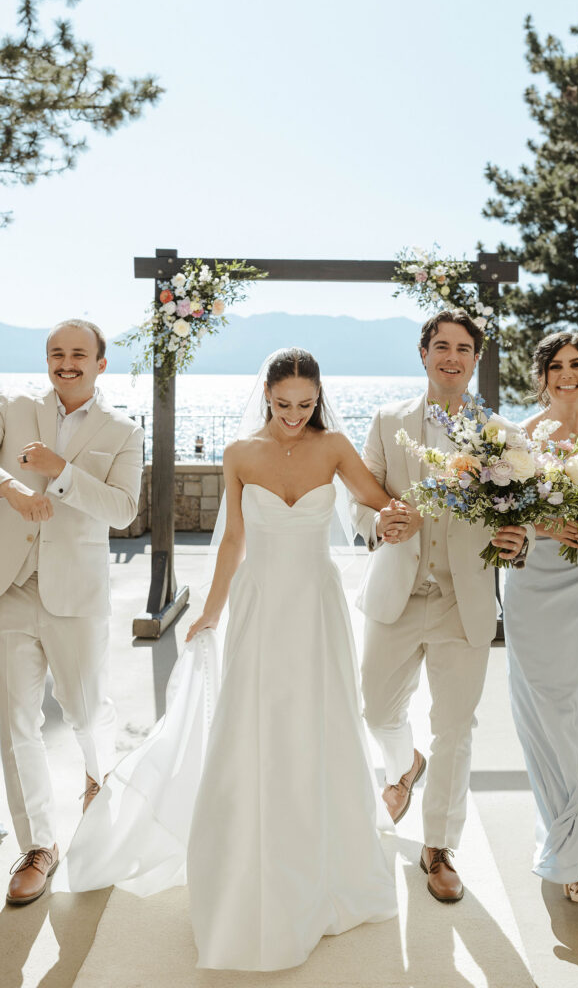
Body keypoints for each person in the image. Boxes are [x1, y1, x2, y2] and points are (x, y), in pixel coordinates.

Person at [58, 348, 397, 971]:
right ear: (266, 394)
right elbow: (234, 539)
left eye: (305, 404)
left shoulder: (337, 446)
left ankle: (323, 848)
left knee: (320, 718)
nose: (294, 415)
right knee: (254, 718)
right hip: (261, 602)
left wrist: (400, 514)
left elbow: (379, 502)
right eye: (283, 403)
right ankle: (251, 844)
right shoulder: (239, 454)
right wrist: (210, 611)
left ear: (318, 395)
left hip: (317, 605)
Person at [351, 309, 530, 904]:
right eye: (440, 346)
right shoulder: (386, 420)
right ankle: (406, 765)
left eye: (463, 348)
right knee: (376, 709)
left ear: (475, 359)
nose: (451, 357)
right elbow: (359, 499)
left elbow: (517, 517)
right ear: (423, 353)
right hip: (397, 595)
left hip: (465, 599)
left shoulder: (502, 433)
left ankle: (438, 848)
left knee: (455, 728)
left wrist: (518, 540)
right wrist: (378, 520)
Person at [0, 319, 144, 905]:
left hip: (77, 595)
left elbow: (122, 510)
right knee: (15, 723)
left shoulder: (123, 431)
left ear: (100, 364)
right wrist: (11, 488)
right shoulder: (12, 407)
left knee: (84, 712)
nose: (66, 362)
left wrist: (61, 473)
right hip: (10, 583)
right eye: (56, 353)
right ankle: (39, 845)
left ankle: (96, 774)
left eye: (78, 354)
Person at [503, 331, 578, 903]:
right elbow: (505, 515)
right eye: (555, 365)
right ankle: (569, 846)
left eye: (576, 364)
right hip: (533, 582)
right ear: (541, 374)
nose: (565, 373)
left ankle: (575, 818)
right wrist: (547, 526)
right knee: (547, 702)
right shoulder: (520, 436)